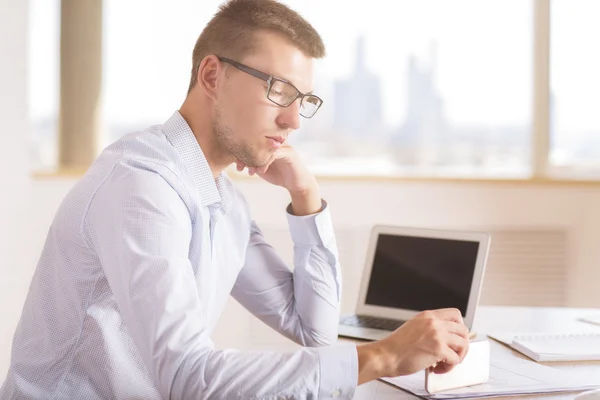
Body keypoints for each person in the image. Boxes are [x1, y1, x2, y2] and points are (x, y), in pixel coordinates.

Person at [0, 0, 470, 399]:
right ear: (211, 75)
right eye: (278, 89)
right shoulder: (140, 187)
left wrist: (306, 196)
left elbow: (314, 331)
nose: (294, 121)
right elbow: (188, 377)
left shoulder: (220, 197)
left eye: (303, 98)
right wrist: (383, 355)